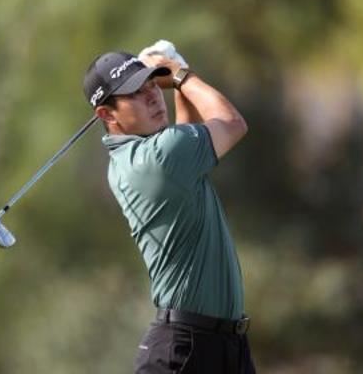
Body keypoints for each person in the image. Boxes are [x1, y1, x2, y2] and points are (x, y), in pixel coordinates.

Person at [82, 43, 255, 374]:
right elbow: (233, 123)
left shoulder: (135, 159)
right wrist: (180, 75)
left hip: (221, 347)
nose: (151, 96)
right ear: (107, 114)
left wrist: (178, 86)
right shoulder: (158, 158)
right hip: (186, 352)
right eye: (135, 93)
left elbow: (181, 134)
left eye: (152, 84)